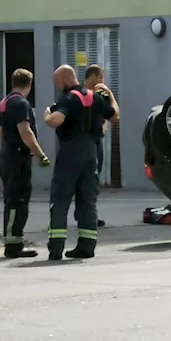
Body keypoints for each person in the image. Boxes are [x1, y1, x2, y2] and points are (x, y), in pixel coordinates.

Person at [43, 65, 118, 260]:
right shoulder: (95, 98)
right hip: (91, 153)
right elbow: (114, 115)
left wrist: (47, 116)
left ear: (65, 80)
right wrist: (110, 95)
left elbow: (56, 120)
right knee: (87, 201)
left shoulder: (67, 98)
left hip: (70, 153)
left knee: (60, 200)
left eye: (58, 82)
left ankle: (56, 248)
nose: (57, 86)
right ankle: (86, 247)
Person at [0, 68, 49, 259]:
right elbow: (25, 131)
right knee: (18, 201)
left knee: (10, 199)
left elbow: (0, 131)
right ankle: (14, 244)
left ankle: (13, 240)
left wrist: (4, 151)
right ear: (29, 85)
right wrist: (40, 154)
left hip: (6, 156)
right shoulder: (21, 104)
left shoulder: (5, 102)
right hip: (18, 158)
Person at [83, 65, 110, 228]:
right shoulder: (80, 93)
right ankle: (86, 215)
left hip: (97, 140)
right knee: (86, 178)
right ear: (92, 76)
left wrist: (104, 124)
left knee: (94, 177)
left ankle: (91, 214)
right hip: (85, 142)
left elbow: (106, 113)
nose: (102, 81)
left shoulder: (99, 95)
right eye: (100, 77)